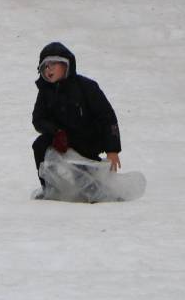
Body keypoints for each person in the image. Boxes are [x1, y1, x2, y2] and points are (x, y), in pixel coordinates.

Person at [31, 42, 123, 190]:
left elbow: (107, 117)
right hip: (62, 139)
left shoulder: (86, 87)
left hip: (87, 140)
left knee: (84, 175)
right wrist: (56, 132)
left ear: (66, 64)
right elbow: (38, 119)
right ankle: (50, 188)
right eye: (45, 66)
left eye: (53, 64)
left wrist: (112, 150)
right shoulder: (45, 92)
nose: (49, 69)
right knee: (40, 145)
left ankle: (94, 188)